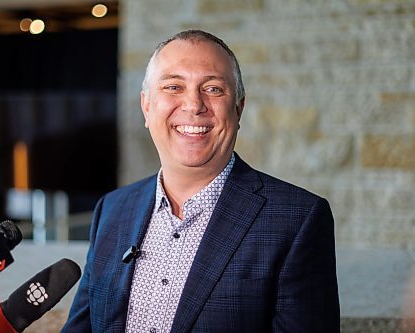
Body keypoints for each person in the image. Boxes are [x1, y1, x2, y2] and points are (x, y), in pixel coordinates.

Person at [62, 29, 340, 332]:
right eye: (173, 87)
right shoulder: (113, 209)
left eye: (213, 89)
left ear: (238, 109)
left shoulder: (297, 219)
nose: (193, 105)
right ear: (147, 106)